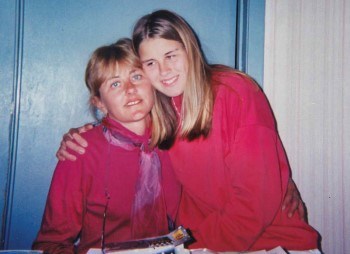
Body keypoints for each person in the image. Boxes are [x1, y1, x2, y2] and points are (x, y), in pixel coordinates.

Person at [57, 10, 321, 252]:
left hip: (272, 244)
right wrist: (86, 135)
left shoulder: (235, 92)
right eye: (150, 63)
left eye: (171, 56)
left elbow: (254, 203)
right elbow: (122, 129)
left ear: (190, 50)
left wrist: (182, 247)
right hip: (202, 245)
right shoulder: (162, 110)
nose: (164, 71)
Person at [32, 38, 180, 254]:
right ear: (99, 102)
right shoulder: (81, 151)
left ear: (152, 84)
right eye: (115, 83)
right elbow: (51, 244)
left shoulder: (178, 142)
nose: (130, 89)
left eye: (136, 77)